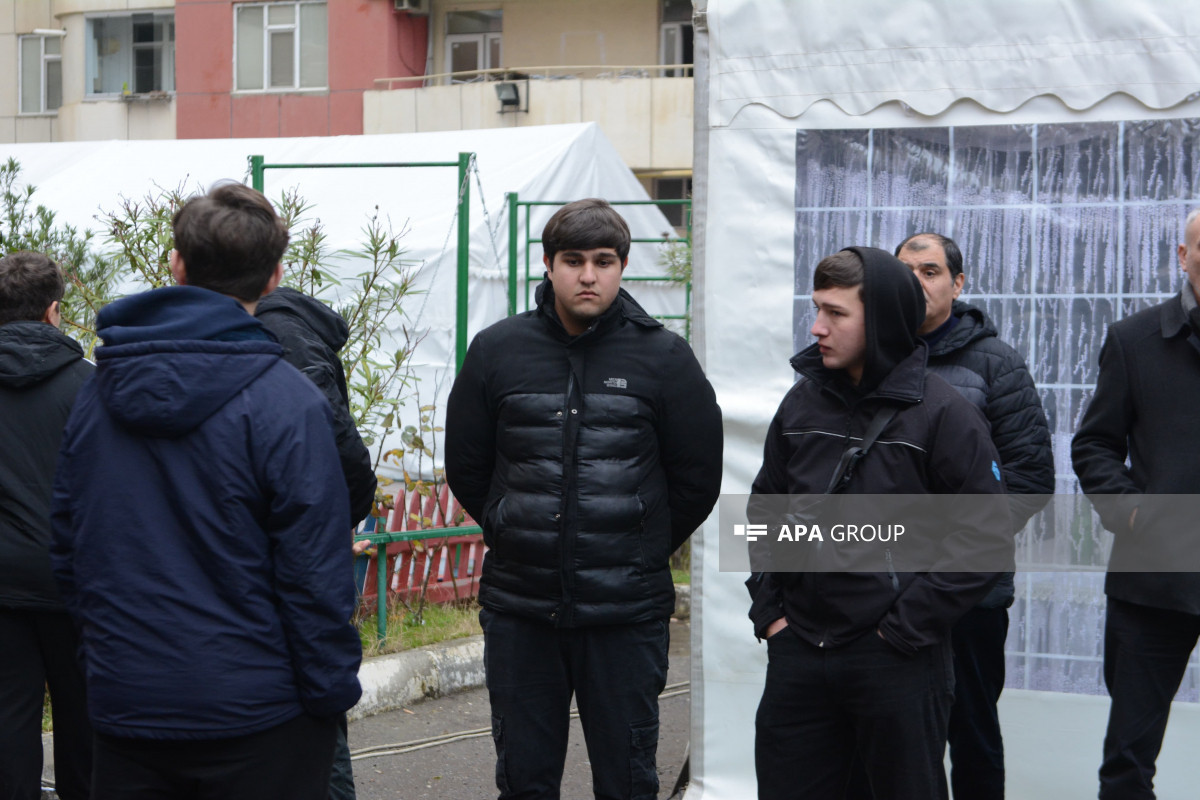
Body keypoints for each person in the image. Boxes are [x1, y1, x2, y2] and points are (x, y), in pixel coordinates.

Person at [50, 182, 362, 800]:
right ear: (275, 278)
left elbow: (71, 545)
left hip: (128, 701)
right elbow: (314, 570)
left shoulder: (97, 393)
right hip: (257, 711)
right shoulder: (286, 400)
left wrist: (105, 663)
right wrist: (328, 696)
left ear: (176, 264)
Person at [445, 198, 723, 800]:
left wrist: (639, 545)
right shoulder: (497, 351)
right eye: (573, 260)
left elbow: (697, 477)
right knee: (524, 779)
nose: (588, 275)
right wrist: (507, 523)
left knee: (626, 779)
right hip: (521, 611)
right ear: (548, 265)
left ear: (623, 266)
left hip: (625, 615)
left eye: (603, 261)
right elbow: (466, 465)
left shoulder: (665, 358)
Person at [748, 247, 1010, 800]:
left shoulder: (944, 414)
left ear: (884, 319)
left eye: (837, 313)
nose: (817, 327)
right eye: (817, 309)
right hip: (800, 653)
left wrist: (902, 630)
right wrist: (771, 612)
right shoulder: (800, 405)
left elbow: (984, 535)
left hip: (897, 660)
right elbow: (765, 507)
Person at [894, 232, 1054, 800]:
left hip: (969, 594)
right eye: (905, 270)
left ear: (958, 284)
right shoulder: (867, 357)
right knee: (892, 739)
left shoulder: (996, 364)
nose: (916, 280)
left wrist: (950, 556)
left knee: (973, 735)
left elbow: (1030, 480)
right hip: (880, 588)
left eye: (930, 271)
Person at [1072, 208, 1200, 800]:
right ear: (1182, 255)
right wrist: (1131, 512)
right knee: (1128, 758)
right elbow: (1095, 444)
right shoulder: (1134, 340)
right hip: (1154, 581)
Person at [256, 286, 377, 800]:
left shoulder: (277, 333)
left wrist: (337, 515)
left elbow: (339, 444)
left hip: (290, 555)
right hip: (305, 549)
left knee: (315, 720)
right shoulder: (301, 329)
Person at [0, 252, 94, 800]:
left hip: (3, 585)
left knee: (8, 722)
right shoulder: (90, 388)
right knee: (85, 720)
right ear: (54, 312)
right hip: (75, 582)